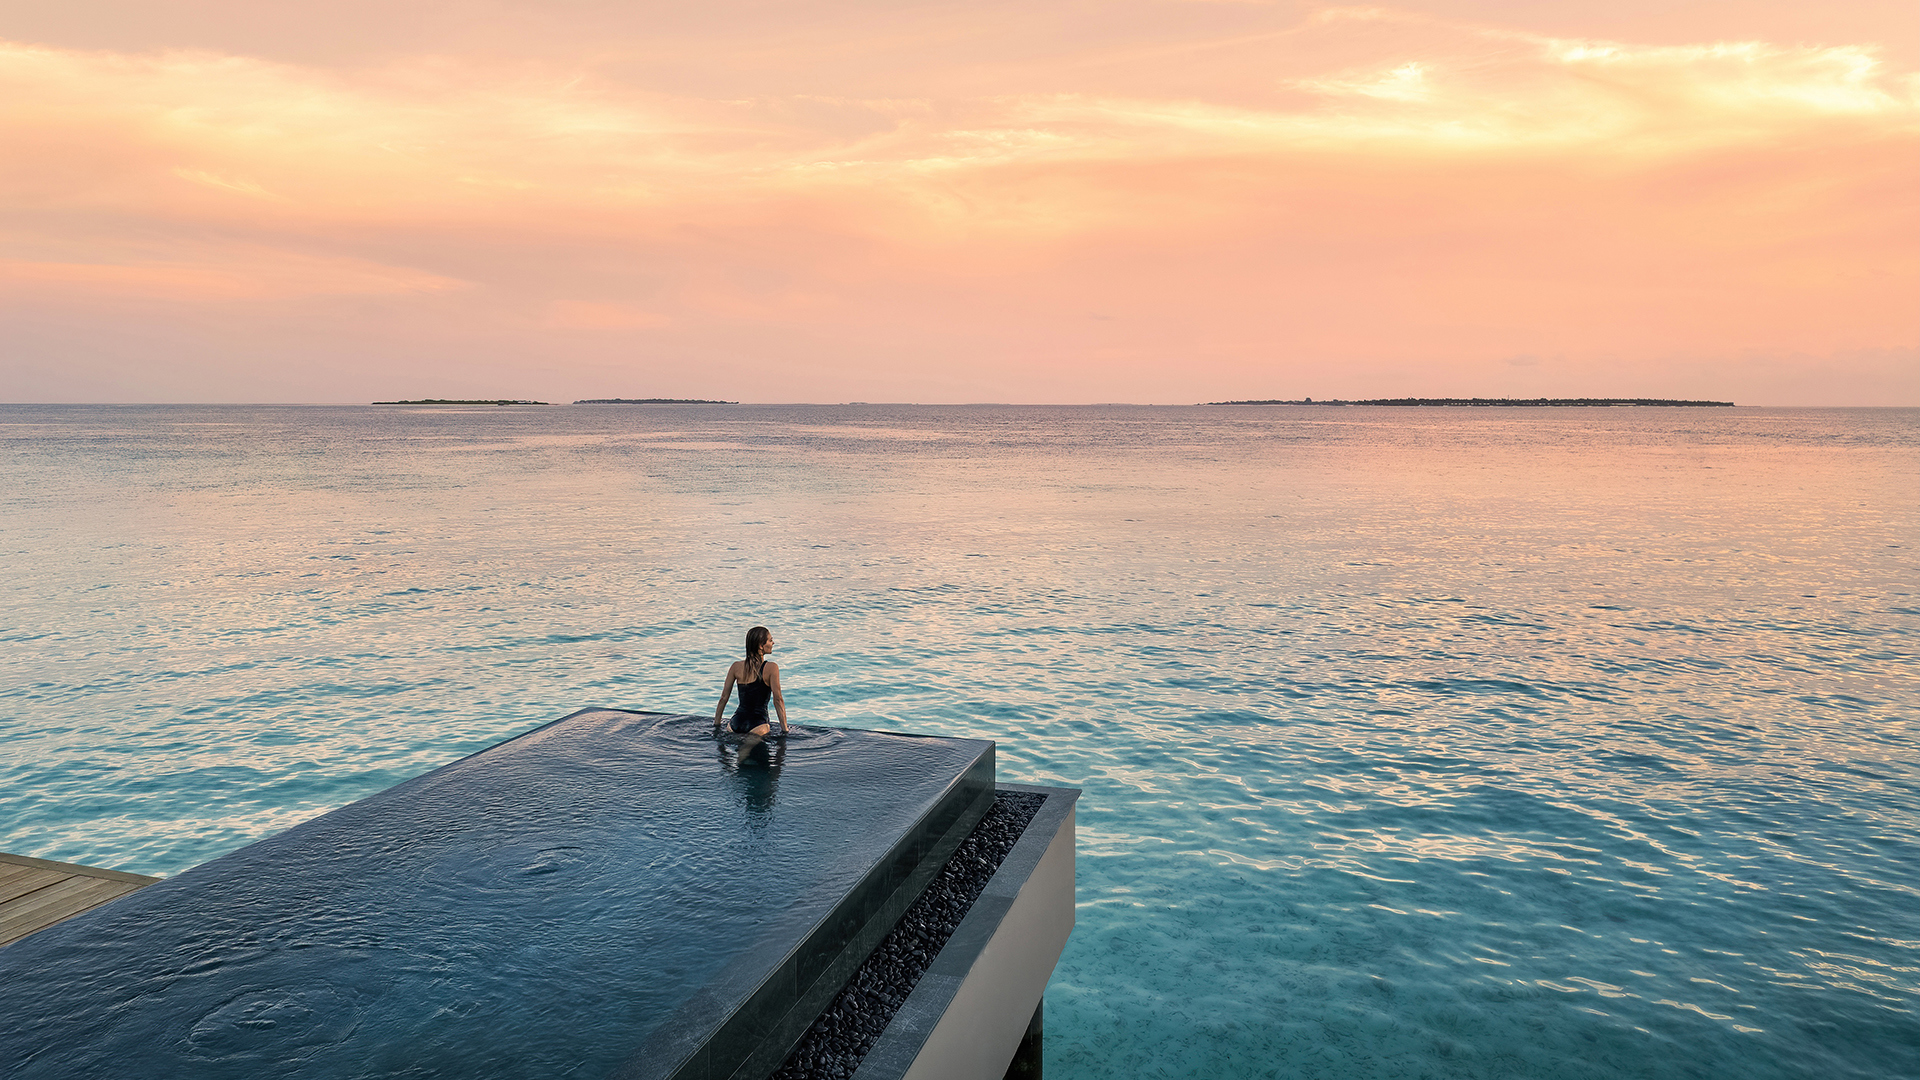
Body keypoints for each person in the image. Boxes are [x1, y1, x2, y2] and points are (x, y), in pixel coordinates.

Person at [714, 625, 788, 739]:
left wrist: (716, 725)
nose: (773, 643)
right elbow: (778, 700)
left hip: (735, 723)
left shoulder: (735, 666)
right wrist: (785, 730)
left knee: (741, 754)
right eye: (770, 640)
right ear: (760, 646)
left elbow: (724, 697)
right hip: (758, 725)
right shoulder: (772, 667)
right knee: (747, 751)